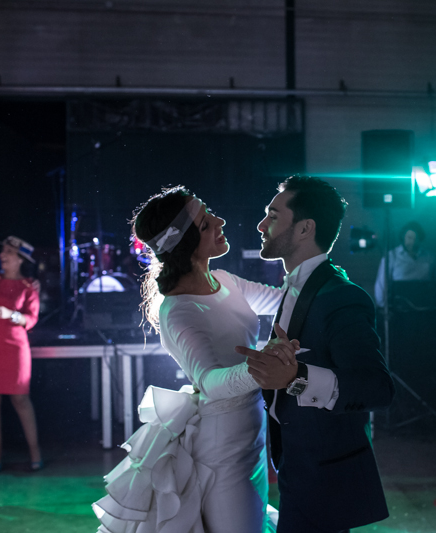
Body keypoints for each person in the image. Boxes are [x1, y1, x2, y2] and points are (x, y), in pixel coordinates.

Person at [94, 186, 290, 533]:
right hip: (223, 447)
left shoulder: (225, 281)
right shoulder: (179, 309)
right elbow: (210, 382)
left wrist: (313, 271)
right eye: (205, 223)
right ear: (185, 244)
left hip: (253, 432)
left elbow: (285, 301)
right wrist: (261, 368)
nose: (220, 221)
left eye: (210, 213)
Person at [240, 176, 395, 533]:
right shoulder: (297, 286)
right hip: (297, 465)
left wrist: (296, 377)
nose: (261, 225)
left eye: (273, 216)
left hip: (326, 477)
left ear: (304, 228)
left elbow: (377, 388)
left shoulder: (341, 296)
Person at [0, 236, 42, 473]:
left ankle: (35, 451)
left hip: (15, 348)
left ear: (21, 259)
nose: (3, 255)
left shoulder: (29, 286)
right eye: (3, 251)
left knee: (20, 399)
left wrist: (11, 314)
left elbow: (31, 318)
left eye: (9, 252)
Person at [373, 221, 434, 308]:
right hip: (398, 308)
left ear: (420, 239)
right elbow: (381, 285)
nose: (412, 242)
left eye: (416, 238)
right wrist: (383, 307)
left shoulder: (429, 257)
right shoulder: (391, 256)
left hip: (424, 307)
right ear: (403, 237)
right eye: (409, 238)